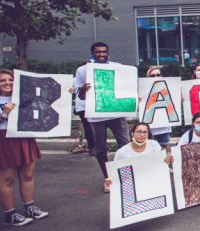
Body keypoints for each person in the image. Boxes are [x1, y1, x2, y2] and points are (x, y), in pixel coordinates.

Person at [0, 69, 49, 226]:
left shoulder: (24, 98)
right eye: (2, 80)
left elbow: (48, 102)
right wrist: (3, 114)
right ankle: (10, 215)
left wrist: (67, 92)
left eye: (10, 80)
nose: (7, 83)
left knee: (28, 176)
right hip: (4, 139)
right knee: (7, 179)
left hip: (24, 137)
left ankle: (30, 207)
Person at [75, 42, 131, 193]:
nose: (101, 54)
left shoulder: (116, 66)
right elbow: (79, 96)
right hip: (96, 116)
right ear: (92, 53)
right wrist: (83, 90)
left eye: (104, 52)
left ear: (108, 53)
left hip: (115, 114)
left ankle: (127, 176)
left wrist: (130, 102)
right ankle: (108, 179)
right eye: (98, 52)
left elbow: (125, 87)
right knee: (101, 150)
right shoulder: (83, 70)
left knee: (125, 145)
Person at [104, 123, 174, 190]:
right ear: (132, 134)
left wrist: (165, 161)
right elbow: (116, 174)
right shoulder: (121, 152)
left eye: (145, 132)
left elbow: (159, 164)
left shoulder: (154, 145)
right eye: (139, 132)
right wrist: (110, 181)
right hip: (132, 187)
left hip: (153, 183)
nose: (142, 134)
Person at [144, 66, 172, 149]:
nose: (156, 77)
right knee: (149, 150)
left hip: (163, 126)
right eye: (153, 75)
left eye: (158, 74)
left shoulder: (168, 87)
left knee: (164, 150)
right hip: (150, 127)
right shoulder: (143, 89)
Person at [73, 60, 96, 155]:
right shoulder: (79, 79)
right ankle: (93, 147)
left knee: (89, 127)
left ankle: (93, 148)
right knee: (90, 127)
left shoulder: (76, 78)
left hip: (85, 105)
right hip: (83, 105)